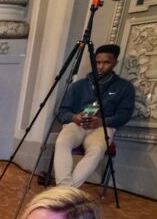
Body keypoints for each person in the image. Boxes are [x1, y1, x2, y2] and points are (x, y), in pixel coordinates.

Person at [53, 44, 135, 188]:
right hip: (77, 125)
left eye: (106, 62)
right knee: (62, 142)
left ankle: (65, 191)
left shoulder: (124, 87)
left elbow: (125, 115)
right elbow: (62, 111)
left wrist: (102, 121)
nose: (101, 66)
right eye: (98, 62)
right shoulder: (78, 86)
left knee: (96, 150)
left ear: (115, 62)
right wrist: (74, 117)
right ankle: (66, 189)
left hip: (102, 127)